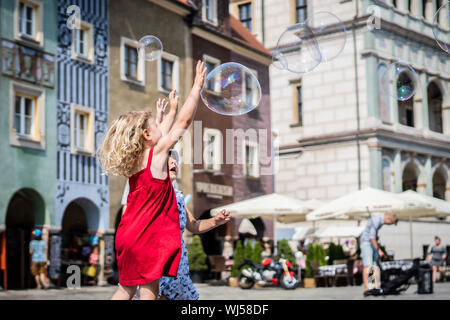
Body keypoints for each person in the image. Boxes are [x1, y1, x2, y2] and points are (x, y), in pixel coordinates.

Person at [99, 61, 207, 300]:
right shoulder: (158, 155)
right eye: (154, 126)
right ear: (148, 135)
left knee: (125, 288)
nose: (161, 128)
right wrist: (196, 87)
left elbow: (165, 128)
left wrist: (168, 112)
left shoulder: (138, 162)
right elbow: (183, 123)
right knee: (150, 291)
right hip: (147, 237)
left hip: (127, 235)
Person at [123, 150, 231, 300]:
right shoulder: (148, 192)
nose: (174, 163)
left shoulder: (178, 197)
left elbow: (193, 225)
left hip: (178, 265)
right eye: (169, 160)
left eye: (176, 161)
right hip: (156, 259)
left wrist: (215, 221)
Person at [360, 213, 398, 295]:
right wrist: (379, 250)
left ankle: (374, 287)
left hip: (372, 243)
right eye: (390, 223)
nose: (389, 225)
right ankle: (366, 290)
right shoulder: (376, 220)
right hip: (367, 243)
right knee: (368, 266)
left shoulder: (380, 221)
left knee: (374, 266)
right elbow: (371, 237)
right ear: (388, 219)